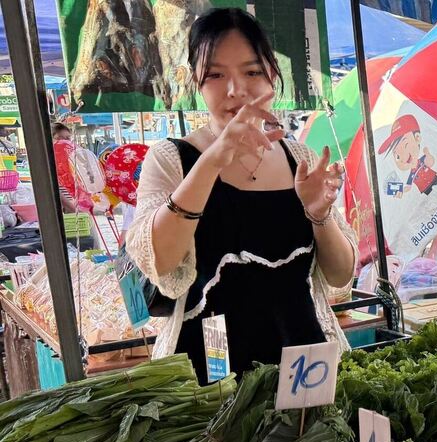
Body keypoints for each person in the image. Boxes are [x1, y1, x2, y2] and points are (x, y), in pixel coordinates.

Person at [127, 8, 357, 384]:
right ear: (196, 84)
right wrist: (213, 160)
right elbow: (161, 261)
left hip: (304, 369)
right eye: (216, 75)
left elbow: (341, 273)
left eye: (251, 72)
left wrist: (320, 215)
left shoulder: (299, 157)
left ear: (272, 77)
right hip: (209, 379)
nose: (236, 90)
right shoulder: (171, 159)